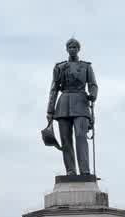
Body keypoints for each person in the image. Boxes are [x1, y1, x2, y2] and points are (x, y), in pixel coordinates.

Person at [46, 37, 98, 176]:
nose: (72, 49)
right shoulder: (60, 67)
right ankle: (70, 170)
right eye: (70, 47)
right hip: (63, 104)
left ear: (78, 49)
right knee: (65, 139)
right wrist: (50, 110)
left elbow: (93, 84)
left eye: (75, 47)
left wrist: (93, 94)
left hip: (81, 102)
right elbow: (54, 89)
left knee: (81, 136)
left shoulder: (86, 67)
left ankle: (85, 170)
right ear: (67, 49)